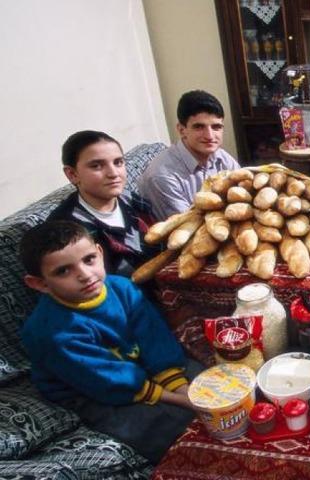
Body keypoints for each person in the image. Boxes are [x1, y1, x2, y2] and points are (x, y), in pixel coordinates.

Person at [19, 221, 201, 463]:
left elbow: (154, 338)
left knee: (210, 382)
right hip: (90, 388)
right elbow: (104, 380)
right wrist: (181, 400)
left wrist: (181, 386)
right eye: (63, 271)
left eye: (89, 259)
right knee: (165, 427)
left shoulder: (122, 287)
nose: (85, 275)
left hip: (136, 363)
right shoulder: (51, 333)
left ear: (100, 252)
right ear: (39, 283)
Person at [48, 130, 159, 278]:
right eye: (96, 166)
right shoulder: (67, 230)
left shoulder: (132, 201)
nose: (113, 173)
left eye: (118, 162)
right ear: (72, 174)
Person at [139, 90, 240, 220]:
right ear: (182, 130)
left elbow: (243, 195)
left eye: (216, 127)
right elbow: (186, 226)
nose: (210, 136)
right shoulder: (162, 176)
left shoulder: (221, 156)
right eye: (199, 127)